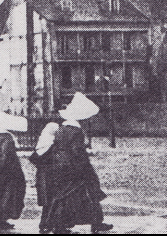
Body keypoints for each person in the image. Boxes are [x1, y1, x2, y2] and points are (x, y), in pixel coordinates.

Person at [45, 93, 113, 234]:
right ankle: (95, 223)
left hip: (60, 166)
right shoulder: (75, 131)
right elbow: (77, 151)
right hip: (75, 167)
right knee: (90, 193)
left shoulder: (61, 129)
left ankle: (59, 224)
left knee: (64, 195)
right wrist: (85, 168)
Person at [30, 120, 61, 234]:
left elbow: (33, 159)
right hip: (50, 176)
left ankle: (45, 224)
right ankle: (47, 224)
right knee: (52, 201)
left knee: (47, 203)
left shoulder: (42, 144)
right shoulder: (52, 145)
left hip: (41, 176)